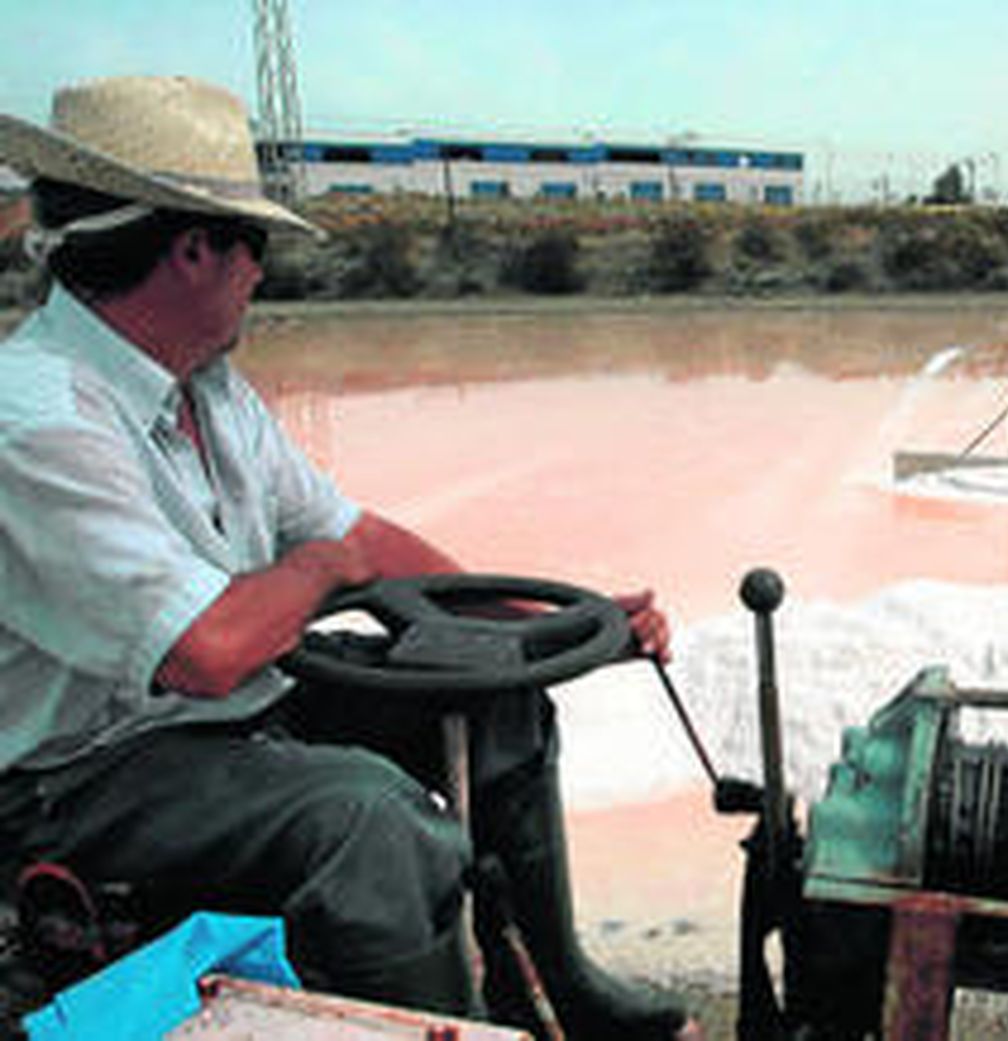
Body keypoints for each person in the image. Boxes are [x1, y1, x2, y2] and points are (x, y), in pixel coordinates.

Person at [0, 76, 697, 1039]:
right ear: (194, 246)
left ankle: (557, 982)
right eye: (258, 246)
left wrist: (556, 634)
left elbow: (365, 544)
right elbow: (208, 650)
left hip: (226, 719)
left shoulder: (209, 392)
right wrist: (317, 570)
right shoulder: (37, 421)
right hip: (79, 779)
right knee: (375, 827)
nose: (260, 274)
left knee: (499, 702)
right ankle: (440, 1023)